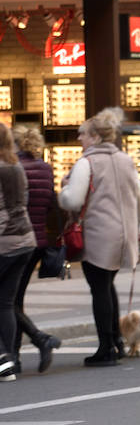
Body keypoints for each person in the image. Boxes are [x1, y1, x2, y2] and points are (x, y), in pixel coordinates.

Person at [58, 108, 140, 367]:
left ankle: (106, 347)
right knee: (108, 286)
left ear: (95, 136)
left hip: (97, 235)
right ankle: (117, 342)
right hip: (123, 236)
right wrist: (136, 226)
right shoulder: (125, 159)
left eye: (82, 134)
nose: (79, 139)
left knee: (99, 289)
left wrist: (62, 191)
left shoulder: (87, 163)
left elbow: (73, 199)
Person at [13, 126, 60, 374]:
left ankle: (38, 340)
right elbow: (51, 204)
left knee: (9, 301)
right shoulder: (45, 168)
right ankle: (14, 356)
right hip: (38, 242)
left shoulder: (15, 168)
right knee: (14, 300)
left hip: (15, 241)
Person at [0, 124, 36, 381]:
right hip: (24, 239)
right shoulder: (15, 165)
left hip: (4, 241)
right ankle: (9, 361)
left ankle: (4, 362)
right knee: (5, 304)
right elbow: (23, 201)